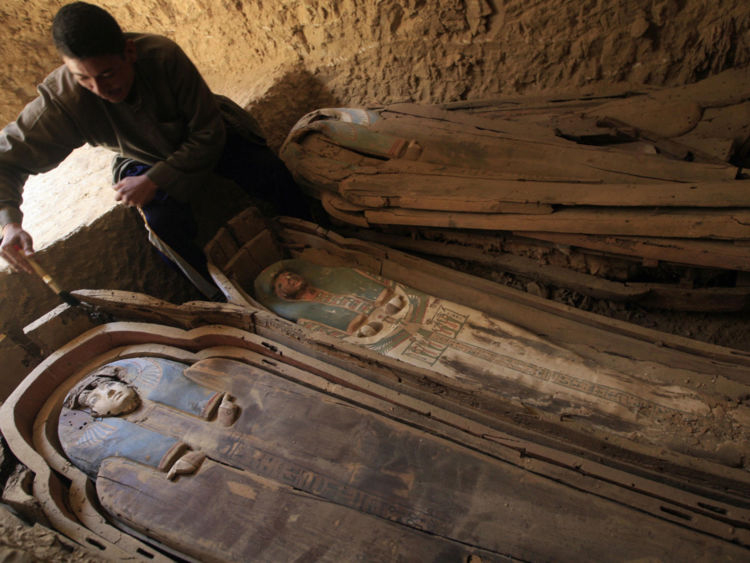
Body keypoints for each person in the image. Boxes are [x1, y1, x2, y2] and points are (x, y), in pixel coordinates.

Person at [0, 2, 307, 297]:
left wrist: (157, 179)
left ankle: (311, 240)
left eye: (107, 74)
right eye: (84, 78)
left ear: (129, 52)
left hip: (205, 135)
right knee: (162, 227)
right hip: (140, 155)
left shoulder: (162, 57)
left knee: (268, 170)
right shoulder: (63, 100)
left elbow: (209, 132)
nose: (99, 89)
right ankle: (222, 299)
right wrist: (10, 223)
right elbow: (6, 161)